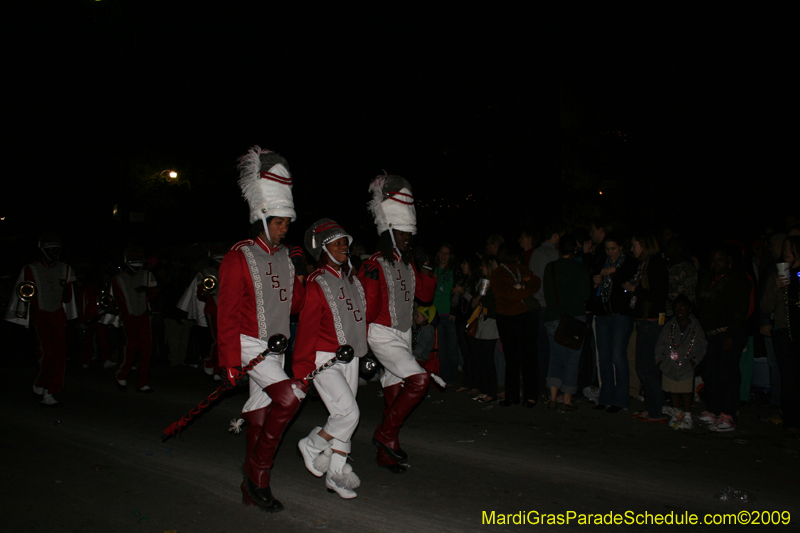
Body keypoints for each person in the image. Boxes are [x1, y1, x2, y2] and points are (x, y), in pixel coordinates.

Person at [217, 146, 307, 512]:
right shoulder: (239, 255)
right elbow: (226, 313)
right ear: (264, 218)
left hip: (276, 349)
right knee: (291, 397)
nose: (285, 227)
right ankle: (258, 471)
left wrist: (299, 274)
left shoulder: (286, 257)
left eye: (287, 222)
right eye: (280, 221)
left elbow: (295, 307)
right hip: (248, 345)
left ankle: (249, 488)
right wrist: (227, 361)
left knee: (260, 410)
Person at [359, 174, 437, 474]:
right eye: (403, 233)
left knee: (394, 395)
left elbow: (425, 296)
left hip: (403, 333)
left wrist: (426, 267)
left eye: (409, 233)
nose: (408, 238)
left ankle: (386, 455)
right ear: (390, 233)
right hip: (381, 334)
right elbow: (368, 311)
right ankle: (385, 433)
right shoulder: (374, 264)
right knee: (419, 380)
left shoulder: (408, 262)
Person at [293, 219, 366, 499]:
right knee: (349, 413)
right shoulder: (316, 282)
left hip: (351, 357)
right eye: (337, 243)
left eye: (345, 242)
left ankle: (336, 476)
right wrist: (302, 372)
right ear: (324, 248)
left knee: (342, 416)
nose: (344, 246)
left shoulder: (352, 280)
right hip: (324, 359)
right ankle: (312, 444)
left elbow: (363, 318)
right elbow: (306, 330)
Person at [5, 233, 76, 406]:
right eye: (50, 250)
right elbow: (22, 293)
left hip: (58, 314)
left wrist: (66, 287)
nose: (54, 253)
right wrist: (22, 313)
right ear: (43, 250)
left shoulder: (65, 269)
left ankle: (50, 391)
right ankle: (40, 384)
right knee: (47, 354)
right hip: (40, 315)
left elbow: (68, 298)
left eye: (56, 250)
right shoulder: (30, 269)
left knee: (60, 355)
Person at [695, 245, 752, 432]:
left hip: (728, 332)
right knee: (711, 373)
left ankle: (729, 413)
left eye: (720, 260)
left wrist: (731, 335)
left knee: (728, 374)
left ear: (728, 261)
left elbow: (741, 308)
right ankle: (713, 409)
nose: (716, 264)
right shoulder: (706, 277)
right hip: (709, 334)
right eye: (713, 261)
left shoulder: (737, 279)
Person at [623, 232, 669, 423]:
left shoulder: (655, 263)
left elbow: (658, 293)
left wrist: (634, 289)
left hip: (651, 321)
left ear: (643, 244)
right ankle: (651, 408)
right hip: (644, 320)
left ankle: (656, 410)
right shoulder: (644, 263)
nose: (632, 249)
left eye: (634, 245)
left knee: (647, 366)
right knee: (643, 366)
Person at [543, 233, 591, 410]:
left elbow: (547, 292)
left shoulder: (550, 267)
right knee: (572, 360)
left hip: (554, 318)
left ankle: (553, 397)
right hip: (574, 319)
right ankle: (567, 399)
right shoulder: (580, 269)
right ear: (575, 249)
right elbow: (585, 295)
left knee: (555, 358)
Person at [591, 232, 638, 413]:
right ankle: (605, 397)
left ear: (621, 248)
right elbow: (593, 288)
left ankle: (620, 399)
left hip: (620, 315)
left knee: (618, 356)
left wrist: (615, 272)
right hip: (602, 314)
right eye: (607, 249)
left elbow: (628, 282)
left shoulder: (629, 262)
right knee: (603, 357)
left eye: (613, 249)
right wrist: (596, 283)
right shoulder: (601, 261)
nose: (610, 252)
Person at [760, 235, 800, 436]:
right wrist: (776, 287)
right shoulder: (777, 273)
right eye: (785, 249)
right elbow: (765, 306)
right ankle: (791, 420)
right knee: (789, 377)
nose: (786, 253)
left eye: (791, 249)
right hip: (783, 331)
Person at [492, 244, 539, 407]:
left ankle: (519, 396)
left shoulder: (519, 269)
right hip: (510, 318)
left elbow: (536, 283)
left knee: (520, 358)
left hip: (519, 317)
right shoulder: (499, 273)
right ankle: (522, 396)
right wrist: (524, 288)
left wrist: (521, 287)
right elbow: (507, 294)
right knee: (518, 358)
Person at [655, 295, 707, 429]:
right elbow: (660, 344)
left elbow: (701, 345)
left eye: (682, 307)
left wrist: (693, 361)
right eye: (676, 308)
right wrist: (660, 361)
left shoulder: (695, 326)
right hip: (669, 363)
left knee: (685, 390)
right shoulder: (670, 326)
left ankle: (688, 415)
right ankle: (676, 413)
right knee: (673, 389)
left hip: (686, 363)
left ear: (689, 309)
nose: (679, 311)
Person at [111, 246, 157, 393]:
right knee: (131, 346)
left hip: (144, 316)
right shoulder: (118, 279)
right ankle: (121, 374)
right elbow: (115, 300)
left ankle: (142, 382)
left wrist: (147, 290)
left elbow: (154, 296)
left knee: (146, 349)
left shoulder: (147, 275)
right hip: (128, 317)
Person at [433, 244, 459, 386]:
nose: (443, 256)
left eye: (447, 253)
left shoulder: (454, 271)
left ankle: (453, 378)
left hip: (449, 314)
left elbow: (457, 292)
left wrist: (454, 311)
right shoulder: (433, 269)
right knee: (441, 349)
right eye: (442, 252)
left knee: (452, 348)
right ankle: (443, 378)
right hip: (436, 314)